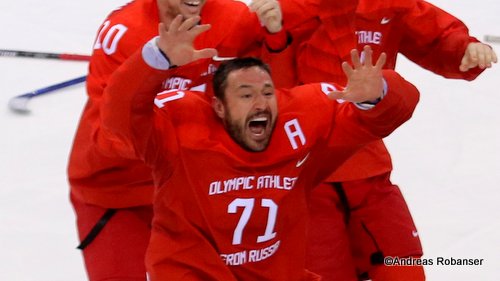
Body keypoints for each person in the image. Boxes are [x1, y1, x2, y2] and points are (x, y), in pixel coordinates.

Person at [96, 15, 419, 281]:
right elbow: (120, 123)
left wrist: (377, 96)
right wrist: (155, 59)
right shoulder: (182, 127)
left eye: (267, 92)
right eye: (246, 94)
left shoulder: (300, 120)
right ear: (219, 107)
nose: (261, 103)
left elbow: (380, 119)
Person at [266, 0, 498, 280]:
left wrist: (464, 48)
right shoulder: (282, 10)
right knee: (321, 271)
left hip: (368, 166)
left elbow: (436, 34)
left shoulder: (385, 5)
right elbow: (255, 81)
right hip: (305, 174)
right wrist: (273, 34)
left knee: (403, 267)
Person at [67, 0, 289, 280]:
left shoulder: (235, 20)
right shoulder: (122, 31)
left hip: (195, 190)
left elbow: (267, 106)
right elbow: (107, 134)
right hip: (120, 190)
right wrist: (153, 64)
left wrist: (275, 39)